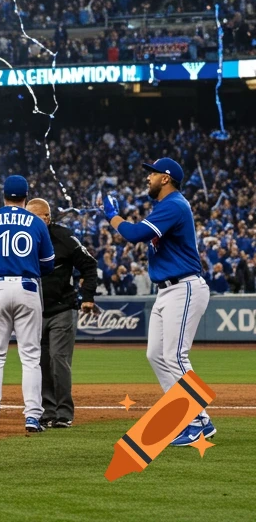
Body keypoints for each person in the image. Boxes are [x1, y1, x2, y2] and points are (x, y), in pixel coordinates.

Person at [101, 157, 213, 445]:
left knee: (176, 356)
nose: (147, 178)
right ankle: (186, 417)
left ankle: (198, 422)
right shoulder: (165, 207)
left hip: (184, 286)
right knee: (155, 355)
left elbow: (135, 234)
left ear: (166, 178)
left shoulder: (174, 204)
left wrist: (112, 215)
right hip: (167, 290)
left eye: (151, 174)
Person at [0, 174, 55, 434]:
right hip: (28, 287)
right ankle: (31, 417)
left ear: (4, 195)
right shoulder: (36, 222)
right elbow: (49, 263)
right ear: (26, 197)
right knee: (30, 357)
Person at [26, 197, 97, 428]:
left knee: (58, 359)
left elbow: (89, 264)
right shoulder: (22, 239)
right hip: (33, 312)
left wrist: (87, 297)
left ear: (48, 217)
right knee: (40, 362)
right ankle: (47, 411)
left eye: (41, 216)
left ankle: (64, 412)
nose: (39, 220)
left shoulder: (64, 237)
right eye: (33, 216)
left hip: (62, 309)